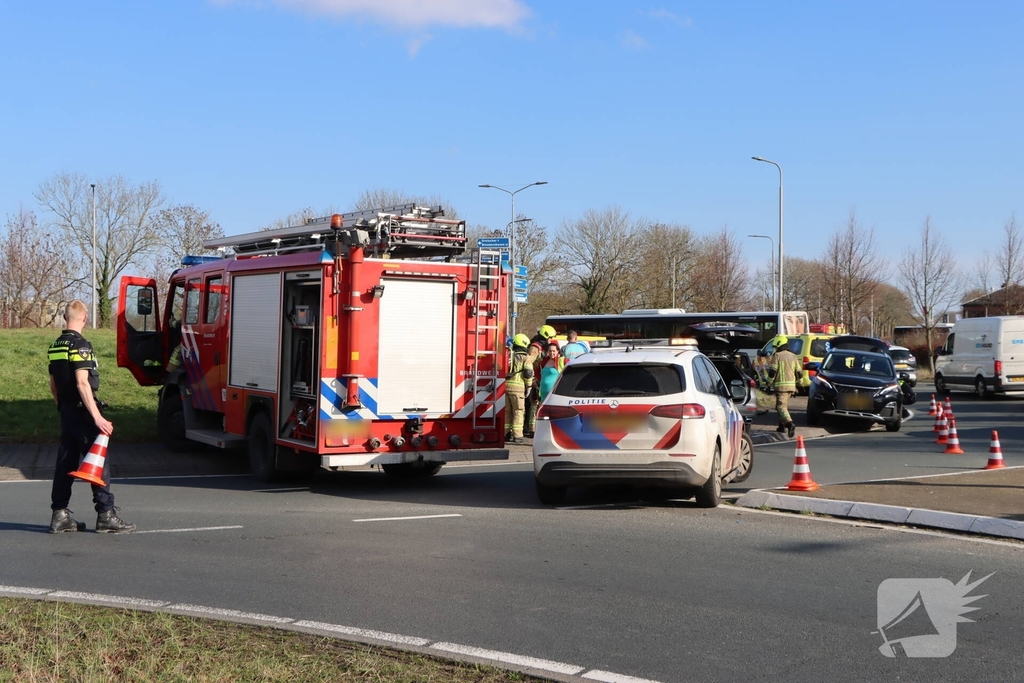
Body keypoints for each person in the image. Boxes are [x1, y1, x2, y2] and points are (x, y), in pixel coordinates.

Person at [48, 300, 136, 534]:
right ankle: (106, 515)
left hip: (67, 411)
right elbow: (82, 383)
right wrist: (97, 417)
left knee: (66, 463)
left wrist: (62, 408)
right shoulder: (80, 345)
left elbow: (54, 386)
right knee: (98, 463)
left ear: (65, 317)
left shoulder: (56, 345)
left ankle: (59, 515)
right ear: (85, 318)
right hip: (83, 412)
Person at [524, 324, 556, 437]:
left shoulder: (544, 348)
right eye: (550, 337)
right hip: (533, 379)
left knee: (537, 404)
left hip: (540, 378)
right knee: (533, 404)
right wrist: (532, 379)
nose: (551, 340)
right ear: (545, 336)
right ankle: (531, 429)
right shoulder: (535, 348)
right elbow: (528, 363)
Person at [768, 335, 803, 439]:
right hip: (791, 387)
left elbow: (772, 372)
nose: (775, 349)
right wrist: (800, 384)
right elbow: (799, 373)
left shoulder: (777, 356)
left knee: (780, 407)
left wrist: (768, 383)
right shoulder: (793, 356)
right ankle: (781, 426)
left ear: (779, 345)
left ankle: (789, 424)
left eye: (776, 347)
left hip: (781, 387)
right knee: (782, 406)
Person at [504, 334, 534, 444]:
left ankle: (506, 434)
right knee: (518, 411)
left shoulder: (509, 355)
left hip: (505, 387)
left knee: (507, 411)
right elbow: (528, 373)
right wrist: (529, 387)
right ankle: (518, 435)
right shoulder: (526, 358)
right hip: (518, 388)